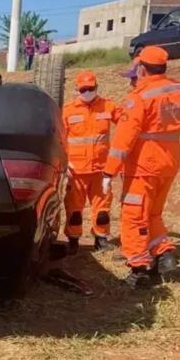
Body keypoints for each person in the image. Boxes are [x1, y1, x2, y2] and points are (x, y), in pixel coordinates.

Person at [102, 45, 180, 288]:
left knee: (134, 215)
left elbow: (122, 141)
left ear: (142, 68)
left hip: (144, 166)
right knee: (153, 213)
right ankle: (165, 254)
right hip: (170, 162)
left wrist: (110, 171)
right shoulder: (179, 91)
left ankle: (139, 268)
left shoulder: (139, 98)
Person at [61, 71, 121, 253]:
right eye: (84, 89)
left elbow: (127, 125)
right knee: (74, 210)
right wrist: (65, 163)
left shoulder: (108, 106)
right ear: (77, 89)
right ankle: (73, 240)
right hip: (76, 171)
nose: (88, 91)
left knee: (102, 209)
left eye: (91, 88)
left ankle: (101, 238)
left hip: (101, 170)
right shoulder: (67, 110)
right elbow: (59, 139)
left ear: (97, 87)